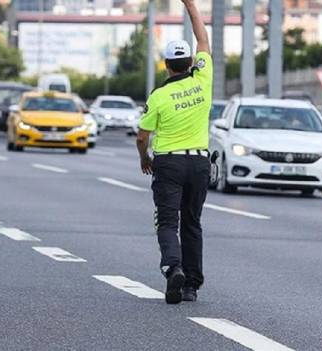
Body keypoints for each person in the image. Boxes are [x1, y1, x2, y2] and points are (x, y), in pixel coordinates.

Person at [135, 0, 212, 305]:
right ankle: (192, 285)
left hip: (168, 164)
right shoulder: (203, 81)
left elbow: (143, 137)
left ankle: (173, 267)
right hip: (200, 163)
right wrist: (190, 4)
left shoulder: (160, 96)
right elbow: (203, 36)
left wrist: (145, 160)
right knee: (192, 221)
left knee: (168, 223)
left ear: (166, 65)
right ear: (192, 60)